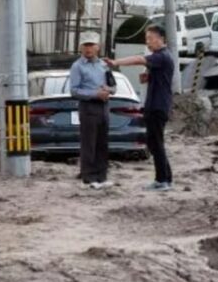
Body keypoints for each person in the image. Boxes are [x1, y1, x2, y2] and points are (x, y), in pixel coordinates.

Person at [105, 25, 175, 192]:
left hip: (158, 106)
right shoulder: (161, 58)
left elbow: (138, 59)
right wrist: (147, 76)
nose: (148, 42)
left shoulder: (162, 56)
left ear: (160, 39)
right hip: (155, 104)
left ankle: (162, 180)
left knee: (155, 143)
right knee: (155, 143)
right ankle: (166, 178)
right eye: (147, 39)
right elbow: (150, 75)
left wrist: (116, 62)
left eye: (150, 39)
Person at [69, 31, 114, 190]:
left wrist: (108, 90)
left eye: (91, 45)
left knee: (102, 142)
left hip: (104, 106)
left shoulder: (104, 65)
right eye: (85, 45)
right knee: (89, 143)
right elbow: (74, 91)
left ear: (98, 47)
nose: (88, 49)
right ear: (81, 47)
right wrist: (95, 93)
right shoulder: (77, 66)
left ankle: (101, 176)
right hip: (88, 107)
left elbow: (113, 86)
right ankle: (88, 177)